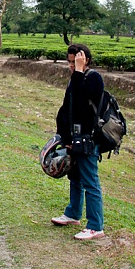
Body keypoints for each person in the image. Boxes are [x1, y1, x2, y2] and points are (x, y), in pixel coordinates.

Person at [52, 43, 106, 240]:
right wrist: (65, 137)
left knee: (90, 182)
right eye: (69, 62)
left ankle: (95, 226)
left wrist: (80, 71)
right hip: (74, 139)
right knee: (74, 178)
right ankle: (73, 214)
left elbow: (83, 102)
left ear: (86, 60)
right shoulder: (74, 79)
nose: (71, 66)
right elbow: (67, 109)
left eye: (75, 62)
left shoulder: (93, 78)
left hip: (88, 139)